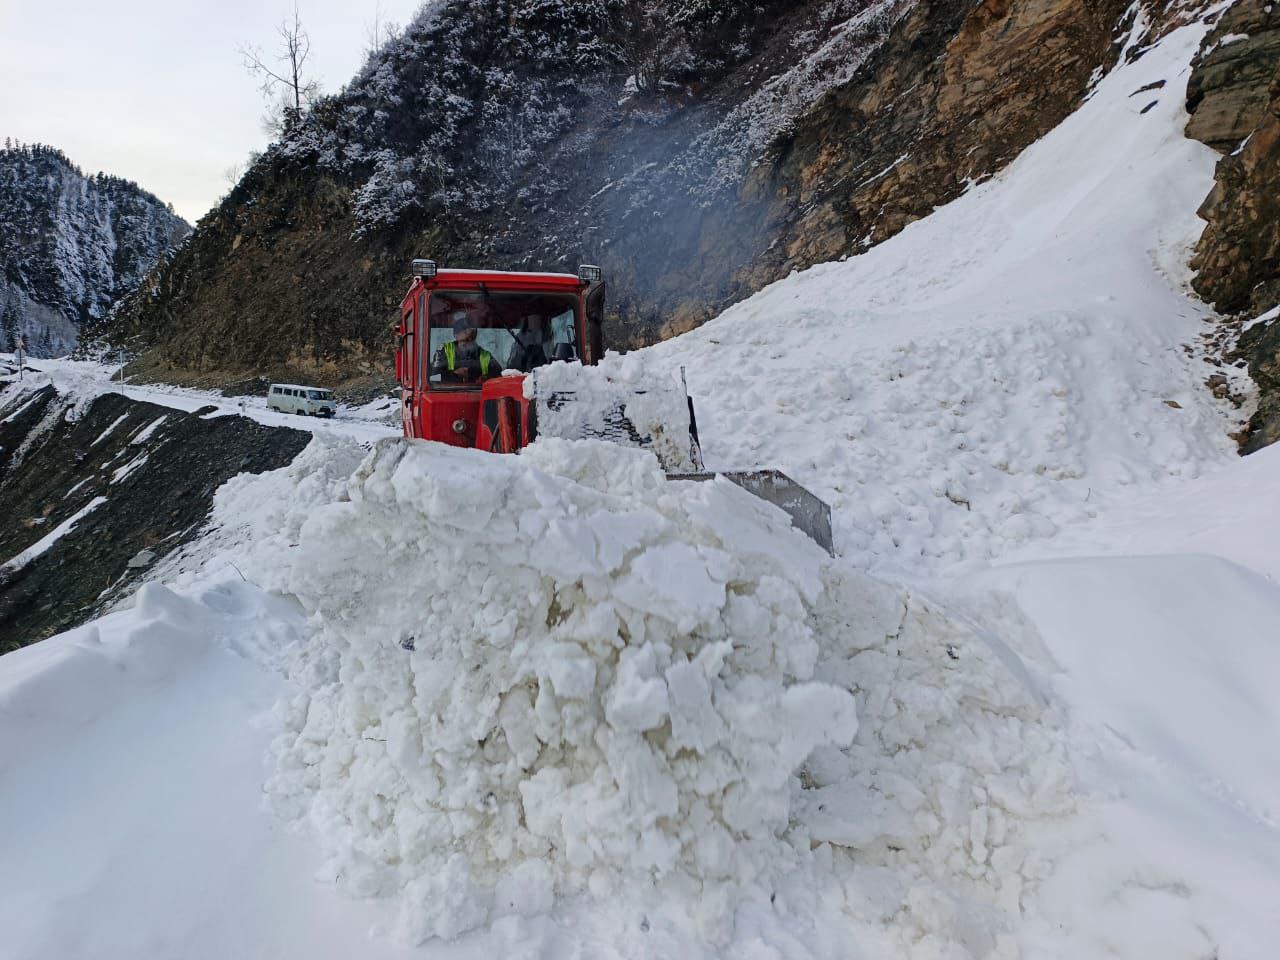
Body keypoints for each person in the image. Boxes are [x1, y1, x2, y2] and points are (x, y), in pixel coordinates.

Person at [431, 311, 497, 383]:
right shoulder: (444, 351)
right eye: (465, 340)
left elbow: (499, 377)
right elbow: (433, 378)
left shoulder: (485, 355)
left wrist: (486, 379)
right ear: (456, 335)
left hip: (478, 393)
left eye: (472, 339)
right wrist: (455, 375)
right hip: (450, 393)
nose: (469, 342)